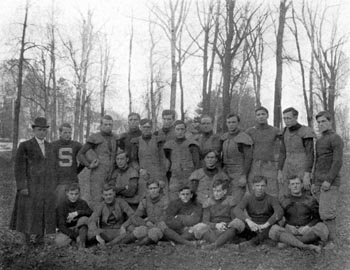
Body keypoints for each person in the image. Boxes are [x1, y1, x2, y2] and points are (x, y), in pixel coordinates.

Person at [10, 117, 56, 246]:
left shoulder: (49, 146)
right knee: (28, 212)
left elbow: (53, 167)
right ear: (34, 130)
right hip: (30, 186)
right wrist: (22, 186)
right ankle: (26, 239)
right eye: (39, 130)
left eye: (44, 130)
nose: (42, 132)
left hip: (45, 187)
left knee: (42, 211)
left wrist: (52, 185)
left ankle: (40, 238)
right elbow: (19, 167)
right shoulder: (25, 146)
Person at [269, 177, 326, 253]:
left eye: (297, 183)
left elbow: (318, 218)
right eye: (292, 184)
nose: (295, 186)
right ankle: (306, 246)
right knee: (273, 229)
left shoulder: (310, 199)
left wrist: (308, 226)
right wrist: (287, 225)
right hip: (290, 230)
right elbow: (280, 215)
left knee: (322, 228)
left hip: (306, 230)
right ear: (289, 186)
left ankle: (289, 243)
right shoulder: (284, 199)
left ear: (302, 185)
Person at [313, 111, 343, 249]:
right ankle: (323, 236)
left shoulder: (336, 138)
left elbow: (337, 162)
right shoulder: (319, 140)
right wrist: (314, 181)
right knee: (321, 210)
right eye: (318, 122)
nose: (320, 124)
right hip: (318, 181)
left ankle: (331, 241)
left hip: (329, 182)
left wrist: (329, 180)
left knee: (327, 212)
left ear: (330, 122)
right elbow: (317, 161)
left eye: (323, 121)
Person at [78, 115, 118, 207]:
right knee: (97, 199)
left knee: (112, 199)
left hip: (112, 173)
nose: (108, 126)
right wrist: (89, 165)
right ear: (101, 125)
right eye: (105, 124)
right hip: (98, 174)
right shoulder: (95, 137)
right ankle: (95, 220)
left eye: (110, 125)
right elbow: (80, 154)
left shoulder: (115, 137)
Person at [232, 176, 283, 246]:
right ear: (253, 187)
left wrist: (266, 224)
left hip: (267, 225)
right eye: (257, 185)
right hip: (253, 225)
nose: (260, 188)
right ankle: (217, 244)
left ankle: (248, 244)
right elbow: (237, 209)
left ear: (266, 187)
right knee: (237, 224)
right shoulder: (248, 198)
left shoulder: (272, 199)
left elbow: (279, 212)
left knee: (270, 230)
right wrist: (248, 221)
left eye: (262, 186)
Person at [190, 178, 237, 250]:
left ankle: (215, 244)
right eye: (214, 191)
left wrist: (225, 225)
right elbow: (205, 221)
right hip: (212, 228)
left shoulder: (230, 200)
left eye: (218, 191)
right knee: (198, 228)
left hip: (226, 227)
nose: (216, 193)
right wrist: (216, 225)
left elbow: (234, 219)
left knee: (237, 224)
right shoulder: (209, 202)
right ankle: (224, 243)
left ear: (224, 191)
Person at [278, 107, 315, 197]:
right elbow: (282, 152)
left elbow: (310, 153)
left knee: (304, 191)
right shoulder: (284, 131)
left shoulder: (305, 131)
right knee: (286, 192)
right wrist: (279, 170)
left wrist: (307, 173)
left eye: (289, 118)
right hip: (287, 166)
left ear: (296, 117)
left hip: (302, 166)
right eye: (284, 118)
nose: (286, 121)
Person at [246, 107, 281, 196]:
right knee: (255, 190)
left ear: (267, 116)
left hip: (270, 165)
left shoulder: (275, 130)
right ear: (255, 117)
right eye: (258, 115)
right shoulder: (250, 131)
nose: (261, 117)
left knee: (271, 190)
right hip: (255, 165)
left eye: (263, 114)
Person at [163, 120, 201, 201]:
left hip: (188, 177)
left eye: (182, 129)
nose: (180, 132)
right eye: (177, 129)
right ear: (174, 130)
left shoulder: (192, 145)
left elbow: (197, 164)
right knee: (174, 200)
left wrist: (195, 179)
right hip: (175, 178)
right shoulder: (168, 146)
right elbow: (166, 163)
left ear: (185, 130)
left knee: (189, 200)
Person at [221, 113, 253, 201]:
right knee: (224, 198)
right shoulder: (224, 137)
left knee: (236, 199)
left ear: (238, 123)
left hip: (238, 172)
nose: (231, 124)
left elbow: (248, 158)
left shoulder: (244, 138)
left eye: (233, 122)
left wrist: (244, 176)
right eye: (229, 122)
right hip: (226, 171)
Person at [126, 180, 169, 245]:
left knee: (154, 233)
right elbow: (137, 215)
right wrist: (145, 222)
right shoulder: (145, 200)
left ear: (159, 188)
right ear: (148, 190)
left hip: (160, 225)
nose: (153, 190)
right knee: (134, 230)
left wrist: (150, 220)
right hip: (148, 225)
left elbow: (166, 216)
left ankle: (137, 245)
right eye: (151, 188)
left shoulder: (165, 200)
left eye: (155, 188)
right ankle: (114, 245)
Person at [130, 119, 166, 193]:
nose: (146, 129)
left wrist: (161, 177)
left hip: (157, 173)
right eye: (144, 127)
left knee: (159, 194)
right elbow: (134, 160)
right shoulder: (136, 141)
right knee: (144, 196)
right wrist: (140, 170)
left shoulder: (157, 140)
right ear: (140, 127)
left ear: (151, 128)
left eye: (148, 127)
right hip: (144, 174)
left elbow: (163, 159)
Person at [52, 123, 83, 206]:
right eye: (65, 133)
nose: (67, 135)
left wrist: (77, 170)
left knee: (74, 204)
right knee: (60, 205)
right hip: (59, 181)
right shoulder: (53, 145)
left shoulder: (76, 145)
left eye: (69, 133)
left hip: (72, 180)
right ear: (60, 133)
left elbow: (84, 158)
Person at [55, 183, 93, 248]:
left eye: (76, 194)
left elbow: (90, 213)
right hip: (68, 230)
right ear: (67, 193)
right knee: (59, 242)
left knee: (84, 219)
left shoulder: (82, 203)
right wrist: (75, 236)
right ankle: (75, 241)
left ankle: (81, 244)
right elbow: (61, 226)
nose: (74, 196)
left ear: (79, 194)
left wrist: (78, 213)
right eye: (71, 194)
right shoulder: (61, 206)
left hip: (80, 229)